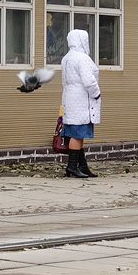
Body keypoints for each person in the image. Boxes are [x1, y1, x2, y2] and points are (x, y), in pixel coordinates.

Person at [60, 28, 101, 178]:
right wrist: (96, 94)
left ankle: (81, 165)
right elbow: (89, 80)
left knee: (77, 133)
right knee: (78, 134)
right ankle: (72, 166)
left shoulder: (66, 58)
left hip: (69, 98)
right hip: (82, 100)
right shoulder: (82, 58)